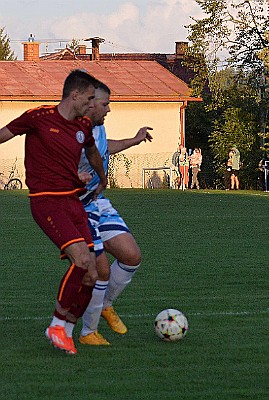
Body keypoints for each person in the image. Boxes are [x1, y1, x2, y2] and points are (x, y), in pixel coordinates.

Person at [0, 69, 108, 355]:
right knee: (82, 260)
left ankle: (66, 331)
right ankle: (56, 324)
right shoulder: (38, 117)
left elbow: (92, 151)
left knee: (93, 273)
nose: (92, 104)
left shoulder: (83, 126)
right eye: (88, 98)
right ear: (74, 95)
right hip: (47, 202)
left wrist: (99, 176)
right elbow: (3, 135)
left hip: (73, 202)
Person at [78, 81, 153, 345]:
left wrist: (134, 140)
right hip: (75, 207)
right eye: (105, 104)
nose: (109, 109)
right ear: (89, 103)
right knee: (100, 272)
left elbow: (103, 146)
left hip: (97, 202)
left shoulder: (96, 126)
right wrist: (75, 175)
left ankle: (106, 304)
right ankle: (88, 333)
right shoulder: (72, 129)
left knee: (131, 256)